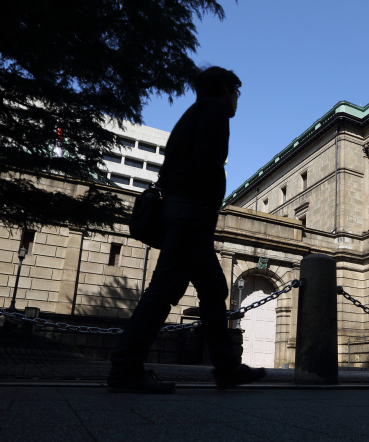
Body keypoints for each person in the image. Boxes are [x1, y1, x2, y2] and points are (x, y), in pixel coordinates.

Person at [107, 66, 266, 393]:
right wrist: (207, 207)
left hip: (186, 214)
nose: (237, 99)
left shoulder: (191, 115)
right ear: (225, 88)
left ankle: (226, 367)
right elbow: (208, 163)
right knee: (165, 288)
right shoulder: (215, 111)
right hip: (193, 214)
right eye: (236, 91)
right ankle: (125, 368)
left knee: (213, 290)